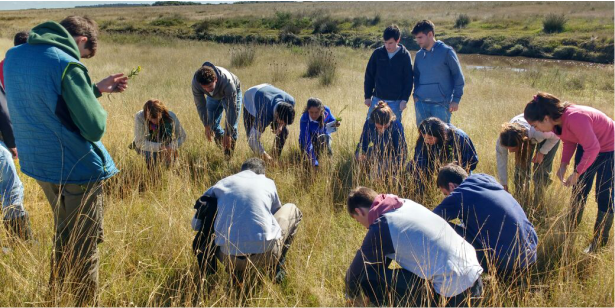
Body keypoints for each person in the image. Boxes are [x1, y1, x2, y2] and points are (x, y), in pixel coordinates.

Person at [4, 16, 127, 305]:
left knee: (63, 235)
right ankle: (84, 302)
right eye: (84, 53)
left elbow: (48, 102)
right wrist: (92, 98)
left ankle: (56, 295)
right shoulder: (67, 64)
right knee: (84, 246)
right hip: (77, 168)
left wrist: (95, 88)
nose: (80, 58)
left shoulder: (14, 56)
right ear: (82, 40)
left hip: (41, 166)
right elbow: (94, 127)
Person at [345, 186, 483, 308]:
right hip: (476, 281)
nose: (363, 226)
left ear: (359, 211)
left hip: (455, 297)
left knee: (368, 275)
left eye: (358, 220)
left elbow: (355, 272)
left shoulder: (381, 226)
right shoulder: (405, 204)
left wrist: (351, 297)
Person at [524, 92, 615, 253]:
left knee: (604, 195)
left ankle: (599, 242)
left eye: (535, 125)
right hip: (588, 145)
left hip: (610, 148)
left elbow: (593, 148)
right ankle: (570, 229)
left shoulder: (575, 118)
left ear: (545, 118)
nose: (535, 129)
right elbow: (569, 140)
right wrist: (564, 164)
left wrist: (578, 172)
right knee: (579, 190)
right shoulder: (557, 124)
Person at [194, 158, 302, 283]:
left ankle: (237, 272)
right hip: (266, 255)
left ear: (242, 170)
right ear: (262, 172)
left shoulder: (221, 183)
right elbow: (275, 214)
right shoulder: (267, 182)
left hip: (226, 257)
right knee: (292, 209)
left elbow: (196, 225)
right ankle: (276, 267)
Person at [434, 164, 539, 278]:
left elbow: (430, 219)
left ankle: (464, 281)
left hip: (507, 265)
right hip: (531, 255)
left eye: (445, 193)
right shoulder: (487, 180)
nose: (447, 196)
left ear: (451, 186)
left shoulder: (459, 195)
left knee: (442, 226)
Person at [411, 20, 465, 126]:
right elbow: (416, 77)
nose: (417, 41)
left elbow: (458, 76)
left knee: (442, 139)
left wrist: (456, 100)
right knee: (423, 139)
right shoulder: (419, 55)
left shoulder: (447, 52)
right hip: (421, 104)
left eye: (420, 37)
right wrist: (415, 96)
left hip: (441, 105)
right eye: (416, 38)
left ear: (430, 34)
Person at [496, 114, 560, 202]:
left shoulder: (539, 132)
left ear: (522, 143)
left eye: (513, 149)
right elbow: (501, 160)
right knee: (521, 170)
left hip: (550, 136)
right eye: (508, 148)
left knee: (542, 170)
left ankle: (538, 200)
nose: (510, 152)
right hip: (526, 137)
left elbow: (556, 135)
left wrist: (542, 152)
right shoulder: (503, 139)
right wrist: (504, 184)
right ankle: (521, 199)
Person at [410, 117, 478, 195]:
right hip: (435, 169)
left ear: (440, 134)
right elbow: (419, 159)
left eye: (430, 138)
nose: (426, 141)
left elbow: (471, 161)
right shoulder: (425, 137)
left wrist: (450, 170)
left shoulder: (459, 137)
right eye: (424, 138)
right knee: (411, 167)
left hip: (456, 173)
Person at [363, 24, 413, 122]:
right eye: (385, 42)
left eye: (390, 43)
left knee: (393, 128)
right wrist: (367, 96)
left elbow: (408, 79)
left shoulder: (405, 55)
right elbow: (369, 75)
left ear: (398, 40)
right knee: (370, 126)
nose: (387, 46)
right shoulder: (377, 53)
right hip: (377, 100)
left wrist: (404, 100)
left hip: (396, 102)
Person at [192, 62, 241, 156]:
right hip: (213, 97)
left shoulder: (227, 81)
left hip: (232, 93)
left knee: (232, 127)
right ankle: (222, 146)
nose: (207, 89)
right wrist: (206, 125)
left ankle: (228, 155)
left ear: (215, 79)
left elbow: (232, 109)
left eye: (210, 86)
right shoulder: (196, 83)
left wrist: (228, 133)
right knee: (212, 124)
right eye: (204, 88)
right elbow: (200, 105)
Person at [243, 83, 296, 161]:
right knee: (251, 135)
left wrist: (280, 126)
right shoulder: (263, 114)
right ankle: (263, 161)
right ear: (276, 115)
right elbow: (252, 140)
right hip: (251, 97)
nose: (282, 125)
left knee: (284, 131)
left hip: (267, 90)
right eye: (281, 122)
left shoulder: (290, 101)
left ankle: (275, 158)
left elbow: (283, 123)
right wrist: (266, 157)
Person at [355, 102, 407, 179]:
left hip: (392, 156)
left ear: (390, 120)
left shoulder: (397, 126)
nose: (382, 130)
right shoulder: (369, 123)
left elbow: (402, 152)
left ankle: (380, 176)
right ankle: (366, 174)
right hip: (376, 150)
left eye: (385, 127)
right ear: (374, 121)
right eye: (379, 127)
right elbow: (363, 142)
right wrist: (359, 153)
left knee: (374, 176)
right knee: (357, 160)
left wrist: (396, 168)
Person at [132, 99, 186, 167]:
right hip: (148, 145)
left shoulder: (170, 116)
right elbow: (139, 142)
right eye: (151, 118)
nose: (154, 121)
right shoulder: (140, 117)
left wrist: (172, 146)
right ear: (146, 113)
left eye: (157, 118)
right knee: (151, 156)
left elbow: (182, 136)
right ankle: (153, 175)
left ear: (162, 112)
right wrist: (160, 147)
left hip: (167, 144)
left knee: (172, 166)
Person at [298, 97, 340, 167]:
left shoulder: (326, 111)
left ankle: (330, 163)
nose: (314, 115)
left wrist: (337, 122)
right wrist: (315, 163)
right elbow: (307, 142)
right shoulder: (304, 120)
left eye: (316, 112)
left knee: (324, 138)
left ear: (321, 110)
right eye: (311, 112)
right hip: (306, 143)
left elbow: (333, 120)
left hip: (322, 140)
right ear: (308, 110)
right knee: (307, 165)